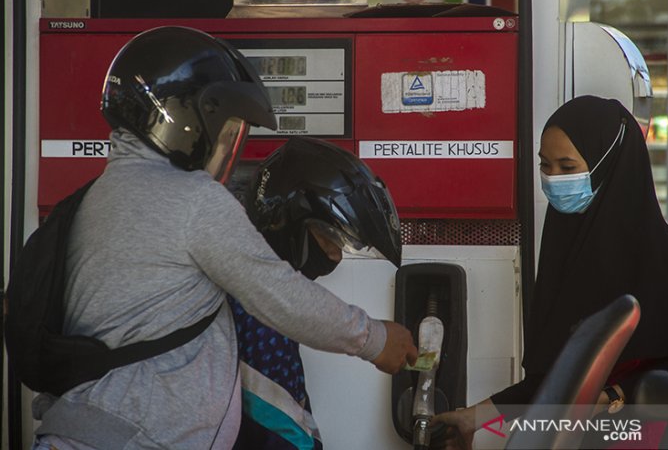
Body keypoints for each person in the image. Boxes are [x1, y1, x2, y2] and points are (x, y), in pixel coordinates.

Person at [30, 26, 417, 450]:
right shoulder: (191, 199)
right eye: (229, 129)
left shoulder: (95, 198)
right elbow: (277, 293)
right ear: (188, 117)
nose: (227, 146)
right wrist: (375, 339)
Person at [431, 95, 668, 449]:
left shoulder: (654, 253)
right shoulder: (568, 243)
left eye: (567, 167)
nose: (553, 179)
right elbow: (553, 379)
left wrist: (611, 395)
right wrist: (475, 418)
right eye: (546, 166)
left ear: (606, 165)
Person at [225, 136, 403, 449]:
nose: (336, 255)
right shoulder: (258, 313)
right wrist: (374, 340)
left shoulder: (251, 283)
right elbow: (281, 433)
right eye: (329, 236)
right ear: (286, 222)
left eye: (344, 243)